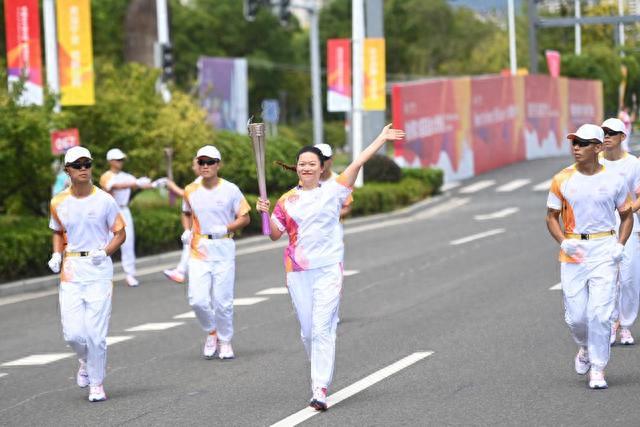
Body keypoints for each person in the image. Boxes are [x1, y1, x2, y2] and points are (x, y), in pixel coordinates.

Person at [256, 124, 405, 410]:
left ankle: (319, 388)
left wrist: (381, 138)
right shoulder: (286, 200)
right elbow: (275, 234)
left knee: (323, 329)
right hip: (297, 271)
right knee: (308, 332)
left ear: (321, 167)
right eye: (302, 164)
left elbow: (358, 161)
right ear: (296, 168)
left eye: (312, 164)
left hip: (327, 269)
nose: (307, 168)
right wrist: (265, 215)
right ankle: (319, 373)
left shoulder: (334, 190)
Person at [546, 123, 633, 390]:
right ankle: (584, 346)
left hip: (604, 249)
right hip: (575, 251)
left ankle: (598, 367)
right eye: (574, 142)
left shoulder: (614, 180)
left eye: (583, 143)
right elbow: (551, 217)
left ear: (597, 148)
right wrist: (564, 242)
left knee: (600, 313)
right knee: (577, 318)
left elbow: (627, 215)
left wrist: (620, 243)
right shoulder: (562, 179)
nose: (576, 147)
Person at [47, 146, 126, 402]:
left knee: (95, 333)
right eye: (77, 165)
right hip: (71, 270)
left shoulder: (104, 200)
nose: (83, 169)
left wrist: (105, 252)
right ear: (67, 170)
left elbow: (120, 233)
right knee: (73, 334)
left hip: (98, 268)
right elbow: (58, 230)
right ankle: (84, 360)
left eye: (87, 164)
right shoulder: (58, 201)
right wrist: (57, 254)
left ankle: (97, 383)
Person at [182, 145, 250, 360]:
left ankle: (226, 340)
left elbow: (245, 217)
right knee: (197, 300)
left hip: (223, 247)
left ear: (218, 165)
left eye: (210, 162)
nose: (205, 166)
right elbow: (186, 212)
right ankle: (212, 331)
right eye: (201, 162)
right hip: (199, 248)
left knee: (222, 301)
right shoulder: (190, 190)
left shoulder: (230, 189)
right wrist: (186, 230)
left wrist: (227, 228)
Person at [600, 118, 640, 346]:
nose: (606, 136)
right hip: (601, 227)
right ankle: (612, 321)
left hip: (628, 223)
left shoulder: (633, 164)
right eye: (604, 132)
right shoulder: (595, 162)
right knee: (606, 278)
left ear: (622, 137)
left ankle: (626, 325)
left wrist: (627, 212)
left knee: (629, 278)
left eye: (611, 133)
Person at [99, 148, 152, 287]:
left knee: (128, 242)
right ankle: (101, 275)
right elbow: (114, 186)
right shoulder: (106, 176)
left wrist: (152, 183)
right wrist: (136, 183)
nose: (120, 162)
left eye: (122, 159)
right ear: (110, 161)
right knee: (106, 243)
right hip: (109, 213)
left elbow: (141, 184)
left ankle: (130, 274)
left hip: (124, 210)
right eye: (118, 160)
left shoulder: (126, 176)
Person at [162, 158, 202, 284]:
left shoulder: (202, 182)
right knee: (189, 245)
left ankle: (182, 271)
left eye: (194, 165)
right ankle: (181, 271)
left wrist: (172, 186)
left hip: (202, 223)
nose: (193, 167)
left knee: (192, 246)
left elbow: (185, 194)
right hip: (196, 221)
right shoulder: (199, 181)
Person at [315, 143, 353, 219]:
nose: (321, 162)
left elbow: (347, 207)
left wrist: (327, 216)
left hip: (334, 229)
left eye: (324, 158)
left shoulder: (340, 181)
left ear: (331, 159)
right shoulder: (306, 181)